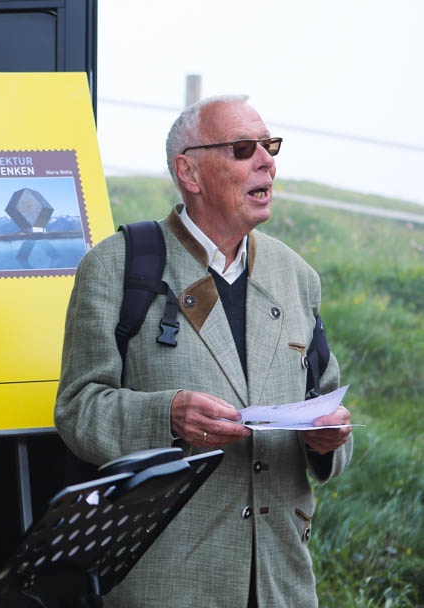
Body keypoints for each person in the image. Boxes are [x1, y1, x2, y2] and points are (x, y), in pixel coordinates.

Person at [54, 94, 353, 607]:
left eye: (269, 146)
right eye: (243, 148)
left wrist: (329, 439)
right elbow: (77, 409)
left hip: (280, 581)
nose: (267, 161)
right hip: (167, 582)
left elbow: (328, 406)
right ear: (188, 172)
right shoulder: (115, 266)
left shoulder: (298, 276)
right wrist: (167, 416)